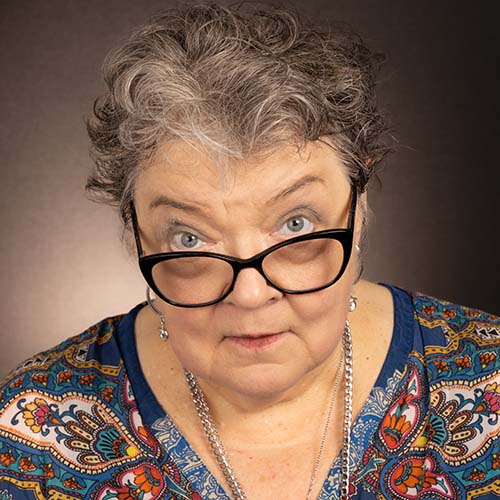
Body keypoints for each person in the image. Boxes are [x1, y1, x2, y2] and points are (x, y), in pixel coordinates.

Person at [0, 3, 499, 499]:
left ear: (358, 209)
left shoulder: (490, 378)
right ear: (134, 232)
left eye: (296, 224)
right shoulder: (28, 430)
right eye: (188, 237)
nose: (251, 295)